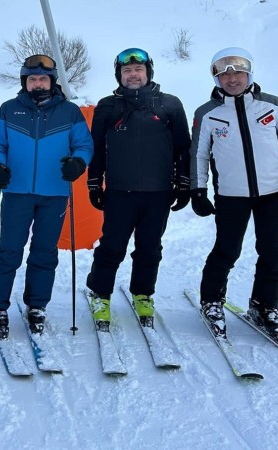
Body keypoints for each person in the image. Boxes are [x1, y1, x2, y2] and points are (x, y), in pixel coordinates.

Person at [190, 47, 278, 345]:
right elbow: (199, 155)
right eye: (224, 75)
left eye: (239, 73)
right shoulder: (207, 113)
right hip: (231, 196)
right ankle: (211, 301)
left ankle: (264, 306)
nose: (232, 79)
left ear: (249, 74)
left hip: (273, 195)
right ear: (217, 79)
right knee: (226, 251)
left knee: (273, 252)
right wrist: (198, 189)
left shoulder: (272, 106)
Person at [0, 54, 93, 338]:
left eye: (43, 78)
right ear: (25, 82)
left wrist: (78, 163)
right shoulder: (9, 109)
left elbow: (84, 145)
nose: (37, 84)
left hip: (54, 193)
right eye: (32, 79)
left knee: (45, 250)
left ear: (52, 81)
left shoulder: (69, 112)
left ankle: (37, 304)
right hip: (16, 191)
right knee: (9, 249)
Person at [85, 48, 192, 330]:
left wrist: (184, 182)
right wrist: (94, 182)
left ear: (148, 72)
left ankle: (143, 294)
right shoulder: (108, 106)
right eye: (127, 71)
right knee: (112, 246)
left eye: (138, 70)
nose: (133, 75)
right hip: (120, 191)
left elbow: (184, 148)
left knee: (149, 247)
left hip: (159, 192)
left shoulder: (169, 104)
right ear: (119, 75)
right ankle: (100, 294)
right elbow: (96, 148)